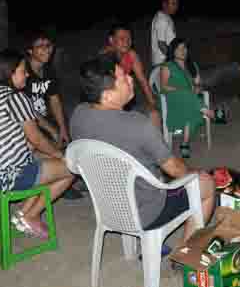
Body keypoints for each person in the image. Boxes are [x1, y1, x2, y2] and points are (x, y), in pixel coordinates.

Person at [70, 54, 215, 244]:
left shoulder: (78, 115)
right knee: (206, 183)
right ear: (107, 95)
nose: (131, 79)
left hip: (108, 207)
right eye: (123, 78)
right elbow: (175, 169)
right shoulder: (138, 124)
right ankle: (184, 253)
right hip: (147, 212)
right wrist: (195, 174)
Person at [0, 49, 74, 240]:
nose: (27, 75)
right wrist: (60, 155)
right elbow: (36, 139)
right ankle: (31, 215)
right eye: (23, 71)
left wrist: (50, 152)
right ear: (11, 72)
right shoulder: (15, 97)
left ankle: (22, 214)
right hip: (4, 175)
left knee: (45, 158)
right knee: (71, 168)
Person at [23, 30, 83, 199]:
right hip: (26, 120)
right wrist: (52, 130)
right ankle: (55, 178)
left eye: (48, 45)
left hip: (42, 117)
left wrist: (63, 128)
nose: (46, 49)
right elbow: (26, 108)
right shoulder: (23, 71)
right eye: (40, 46)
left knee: (66, 137)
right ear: (30, 51)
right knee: (48, 143)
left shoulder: (48, 70)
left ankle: (60, 177)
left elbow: (55, 100)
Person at [159, 38, 215, 158]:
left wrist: (198, 88)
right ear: (173, 51)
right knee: (187, 95)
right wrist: (181, 90)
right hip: (173, 100)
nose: (182, 51)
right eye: (179, 48)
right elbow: (163, 87)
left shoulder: (192, 65)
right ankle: (206, 110)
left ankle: (185, 144)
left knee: (191, 106)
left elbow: (199, 84)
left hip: (191, 101)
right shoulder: (167, 66)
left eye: (184, 48)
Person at [101, 24, 160, 126]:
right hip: (107, 104)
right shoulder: (105, 57)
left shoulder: (131, 55)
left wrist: (152, 103)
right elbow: (102, 90)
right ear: (111, 40)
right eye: (122, 38)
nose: (126, 42)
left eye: (129, 39)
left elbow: (142, 80)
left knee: (154, 113)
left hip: (125, 101)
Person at [151, 0, 179, 67]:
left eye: (177, 3)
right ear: (164, 4)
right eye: (173, 3)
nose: (176, 7)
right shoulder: (161, 20)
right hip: (163, 62)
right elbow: (161, 44)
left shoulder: (166, 17)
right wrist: (174, 59)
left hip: (165, 61)